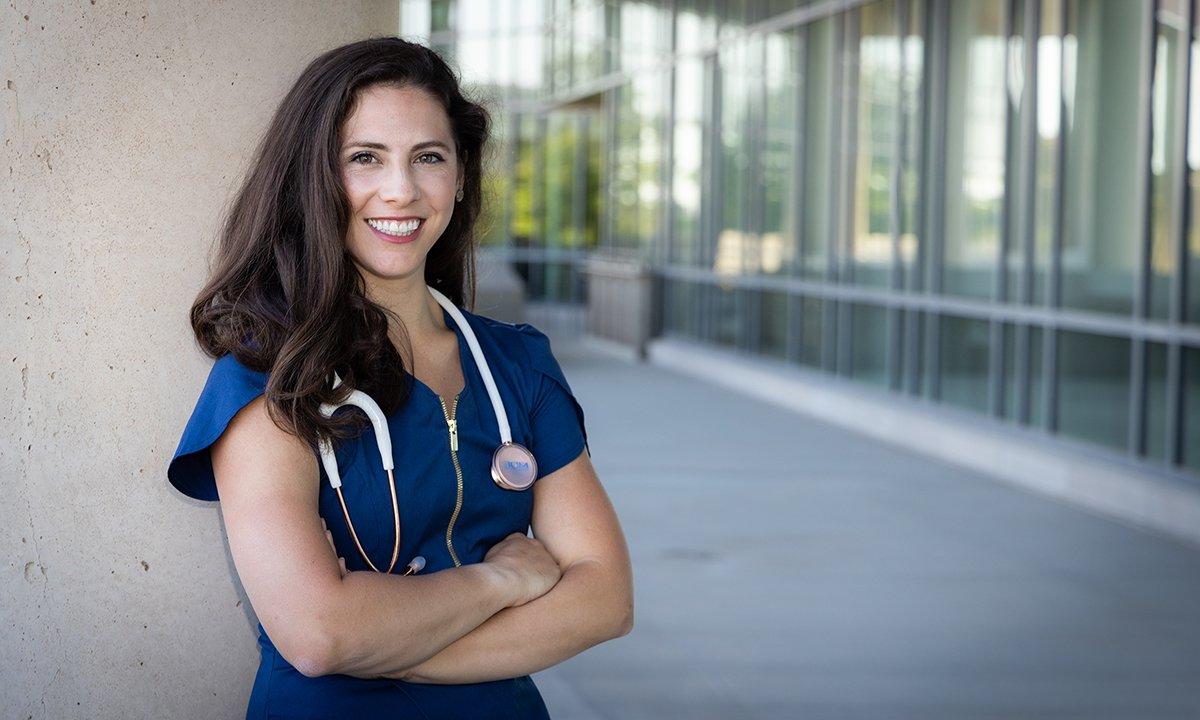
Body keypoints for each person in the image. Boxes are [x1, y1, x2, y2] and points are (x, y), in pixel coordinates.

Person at [166, 36, 633, 719]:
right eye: (365, 158)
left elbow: (605, 599)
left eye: (429, 158)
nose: (402, 190)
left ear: (462, 176)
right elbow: (319, 632)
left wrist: (397, 652)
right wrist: (504, 578)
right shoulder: (269, 378)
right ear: (314, 177)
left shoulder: (517, 365)